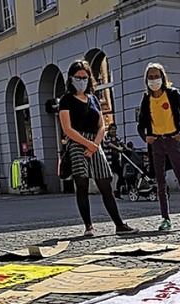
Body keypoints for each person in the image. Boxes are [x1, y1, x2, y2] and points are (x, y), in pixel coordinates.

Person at [58, 60, 136, 238]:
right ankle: (88, 226)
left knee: (105, 184)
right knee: (82, 184)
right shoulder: (66, 100)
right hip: (77, 143)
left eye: (85, 77)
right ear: (71, 78)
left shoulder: (93, 98)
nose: (81, 81)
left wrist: (95, 144)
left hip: (95, 142)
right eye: (78, 77)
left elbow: (102, 125)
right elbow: (67, 129)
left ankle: (119, 224)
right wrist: (87, 144)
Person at [137, 62, 180, 231]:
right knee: (160, 183)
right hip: (156, 143)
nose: (154, 80)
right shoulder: (146, 99)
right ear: (147, 80)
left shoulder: (172, 94)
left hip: (172, 140)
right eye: (151, 77)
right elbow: (140, 125)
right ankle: (165, 219)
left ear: (163, 77)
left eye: (156, 76)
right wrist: (145, 137)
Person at [104, 122, 125, 198]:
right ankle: (107, 192)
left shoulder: (117, 137)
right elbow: (109, 144)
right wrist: (118, 148)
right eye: (112, 129)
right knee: (109, 177)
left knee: (121, 175)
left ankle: (117, 191)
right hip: (108, 161)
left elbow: (122, 143)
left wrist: (126, 148)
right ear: (109, 130)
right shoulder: (106, 137)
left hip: (116, 160)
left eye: (115, 130)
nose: (114, 131)